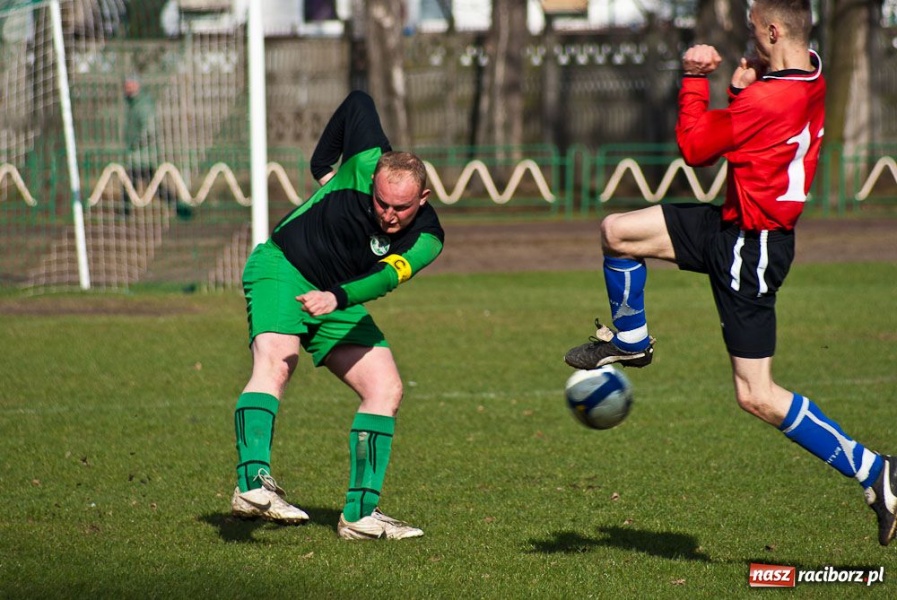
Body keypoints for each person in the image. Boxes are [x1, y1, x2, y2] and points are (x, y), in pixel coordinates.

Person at [564, 0, 897, 546]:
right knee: (618, 232)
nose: (749, 37)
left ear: (773, 30)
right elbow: (761, 133)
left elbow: (695, 148)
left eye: (753, 29)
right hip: (730, 224)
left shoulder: (770, 97)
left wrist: (696, 79)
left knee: (756, 394)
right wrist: (743, 92)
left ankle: (876, 471)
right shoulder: (811, 72)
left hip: (752, 249)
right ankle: (631, 340)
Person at [230, 90, 444, 540]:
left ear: (423, 198)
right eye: (381, 202)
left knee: (385, 387)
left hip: (337, 297)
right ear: (374, 180)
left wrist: (337, 297)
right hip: (282, 267)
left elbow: (385, 277)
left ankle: (360, 516)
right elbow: (359, 102)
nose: (388, 215)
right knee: (278, 360)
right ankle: (252, 485)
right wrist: (322, 167)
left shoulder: (428, 238)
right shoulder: (366, 159)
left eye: (401, 208)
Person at [122, 74, 192, 219]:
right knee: (134, 184)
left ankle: (180, 209)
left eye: (130, 85)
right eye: (126, 85)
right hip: (136, 156)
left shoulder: (143, 105)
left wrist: (136, 143)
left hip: (143, 156)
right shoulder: (132, 104)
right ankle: (125, 213)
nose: (127, 88)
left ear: (137, 85)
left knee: (143, 185)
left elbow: (149, 130)